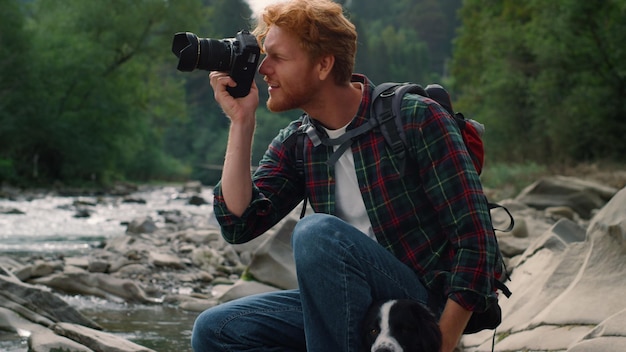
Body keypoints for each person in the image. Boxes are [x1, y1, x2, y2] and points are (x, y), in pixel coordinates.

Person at [191, 0, 499, 351]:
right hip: (350, 303)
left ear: (323, 64)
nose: (264, 68)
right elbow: (239, 224)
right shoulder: (298, 142)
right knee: (216, 329)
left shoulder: (415, 119)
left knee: (317, 233)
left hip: (419, 308)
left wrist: (441, 344)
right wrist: (241, 120)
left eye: (278, 57)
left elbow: (477, 243)